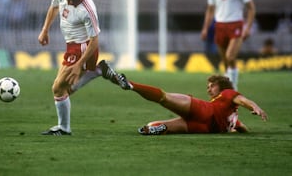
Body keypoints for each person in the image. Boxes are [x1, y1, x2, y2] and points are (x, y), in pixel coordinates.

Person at [98, 60, 268, 135]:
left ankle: (131, 85)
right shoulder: (233, 119)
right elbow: (241, 127)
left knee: (164, 97)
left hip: (203, 112)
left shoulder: (227, 93)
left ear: (222, 85)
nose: (209, 89)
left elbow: (243, 100)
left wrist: (255, 107)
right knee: (154, 126)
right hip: (204, 129)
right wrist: (247, 132)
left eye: (212, 85)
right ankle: (159, 129)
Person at [38, 0, 102, 136]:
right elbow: (54, 8)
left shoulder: (87, 10)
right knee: (63, 90)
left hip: (83, 47)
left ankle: (64, 129)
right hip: (71, 46)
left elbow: (95, 41)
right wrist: (45, 30)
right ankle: (94, 72)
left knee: (58, 88)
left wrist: (79, 64)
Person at [201, 0, 256, 91]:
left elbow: (251, 8)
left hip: (236, 25)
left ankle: (234, 87)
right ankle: (227, 88)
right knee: (225, 61)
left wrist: (247, 28)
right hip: (219, 25)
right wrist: (205, 28)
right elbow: (210, 9)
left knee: (230, 56)